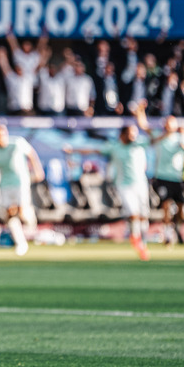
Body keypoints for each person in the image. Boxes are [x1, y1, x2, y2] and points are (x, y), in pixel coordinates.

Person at [64, 108, 151, 261]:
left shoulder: (140, 145)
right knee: (133, 212)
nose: (133, 136)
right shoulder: (114, 147)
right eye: (130, 133)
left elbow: (154, 138)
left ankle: (142, 241)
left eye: (135, 133)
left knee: (143, 215)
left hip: (141, 184)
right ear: (122, 134)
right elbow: (94, 150)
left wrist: (141, 116)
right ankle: (136, 238)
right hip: (124, 185)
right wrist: (73, 150)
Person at [0, 124, 45, 256]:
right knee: (10, 214)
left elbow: (31, 154)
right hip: (4, 184)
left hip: (21, 182)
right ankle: (21, 243)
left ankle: (31, 219)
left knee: (23, 212)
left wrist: (38, 170)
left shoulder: (17, 143)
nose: (1, 137)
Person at [144, 115, 184, 246]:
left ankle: (177, 229)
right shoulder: (159, 137)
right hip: (162, 177)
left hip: (177, 178)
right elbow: (145, 126)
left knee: (180, 207)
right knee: (166, 204)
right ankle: (167, 233)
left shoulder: (181, 138)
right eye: (167, 124)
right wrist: (140, 112)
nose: (168, 126)